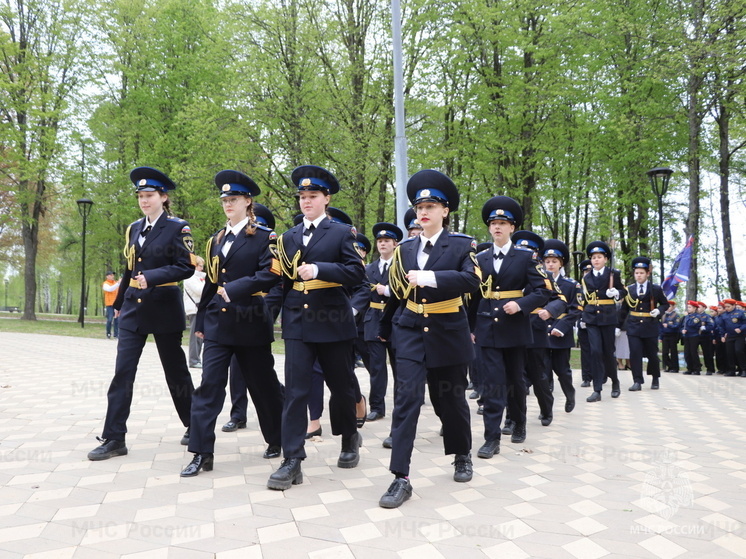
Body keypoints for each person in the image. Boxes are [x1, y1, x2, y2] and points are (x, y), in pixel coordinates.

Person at [377, 170, 480, 508]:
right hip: (409, 330)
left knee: (450, 400)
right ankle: (400, 477)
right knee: (406, 399)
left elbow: (472, 281)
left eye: (431, 206)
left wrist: (430, 277)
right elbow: (397, 292)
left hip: (448, 330)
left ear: (445, 211)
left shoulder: (462, 244)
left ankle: (462, 454)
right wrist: (385, 326)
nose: (423, 211)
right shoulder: (405, 248)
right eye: (420, 207)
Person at [267, 165, 365, 491]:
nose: (306, 201)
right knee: (296, 391)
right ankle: (292, 459)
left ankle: (349, 437)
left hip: (333, 321)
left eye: (313, 196)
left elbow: (356, 273)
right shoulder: (288, 237)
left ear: (326, 199)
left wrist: (320, 269)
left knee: (341, 385)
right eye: (302, 197)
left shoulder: (341, 232)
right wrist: (268, 316)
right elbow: (281, 283)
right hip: (298, 321)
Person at [181, 170, 285, 476]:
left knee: (263, 387)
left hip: (250, 323)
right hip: (218, 325)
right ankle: (201, 452)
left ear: (247, 202)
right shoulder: (216, 239)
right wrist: (202, 321)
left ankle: (277, 438)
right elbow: (212, 284)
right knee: (209, 387)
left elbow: (271, 273)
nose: (228, 204)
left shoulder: (265, 236)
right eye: (225, 199)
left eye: (234, 199)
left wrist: (236, 288)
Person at [88, 166, 196, 461]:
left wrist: (154, 276)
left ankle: (195, 424)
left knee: (175, 371)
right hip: (133, 308)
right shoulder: (134, 228)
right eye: (140, 196)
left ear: (163, 197)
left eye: (150, 195)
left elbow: (186, 266)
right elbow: (129, 269)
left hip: (164, 307)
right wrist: (118, 304)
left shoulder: (178, 228)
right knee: (123, 372)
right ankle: (114, 437)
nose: (144, 201)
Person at [468, 198, 555, 460]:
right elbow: (473, 296)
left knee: (516, 380)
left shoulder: (526, 257)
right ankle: (491, 438)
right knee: (492, 383)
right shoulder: (479, 258)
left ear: (512, 227)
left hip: (514, 328)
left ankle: (519, 421)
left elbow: (544, 291)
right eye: (493, 223)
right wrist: (471, 327)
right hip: (486, 328)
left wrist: (521, 304)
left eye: (502, 223)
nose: (497, 227)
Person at [221, 202, 277, 432]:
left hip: (258, 310)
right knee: (235, 369)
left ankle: (277, 417)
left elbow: (274, 282)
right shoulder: (224, 238)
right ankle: (238, 414)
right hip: (231, 312)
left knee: (262, 375)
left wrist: (267, 313)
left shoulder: (267, 242)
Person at [512, 230, 558, 428]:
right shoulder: (507, 273)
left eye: (528, 251)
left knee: (537, 375)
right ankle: (512, 418)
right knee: (513, 377)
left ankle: (546, 408)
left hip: (534, 330)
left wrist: (550, 310)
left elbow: (559, 299)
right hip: (511, 329)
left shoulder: (544, 275)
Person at [363, 222, 402, 422]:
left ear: (395, 244)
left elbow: (407, 291)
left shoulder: (401, 266)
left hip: (395, 320)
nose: (383, 244)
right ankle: (377, 407)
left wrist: (387, 291)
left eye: (387, 240)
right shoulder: (369, 268)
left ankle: (401, 407)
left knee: (399, 368)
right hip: (374, 321)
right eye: (379, 241)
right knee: (377, 368)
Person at [580, 241, 626, 402]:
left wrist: (616, 293)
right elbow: (585, 298)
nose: (596, 260)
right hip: (591, 318)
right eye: (593, 257)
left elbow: (623, 292)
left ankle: (615, 382)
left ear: (605, 259)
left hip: (607, 317)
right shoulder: (587, 277)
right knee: (595, 352)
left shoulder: (613, 274)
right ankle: (597, 389)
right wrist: (582, 316)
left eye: (599, 257)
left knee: (608, 353)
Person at [541, 240, 581, 413]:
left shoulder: (571, 285)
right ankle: (546, 409)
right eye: (547, 261)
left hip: (561, 333)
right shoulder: (539, 283)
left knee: (562, 370)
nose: (550, 264)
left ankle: (569, 393)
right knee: (543, 373)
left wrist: (561, 327)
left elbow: (576, 309)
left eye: (554, 261)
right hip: (542, 332)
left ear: (561, 263)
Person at [619, 257, 669, 391]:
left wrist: (659, 311)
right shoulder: (629, 290)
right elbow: (624, 309)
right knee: (635, 354)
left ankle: (655, 378)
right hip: (633, 326)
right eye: (636, 273)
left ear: (647, 273)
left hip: (650, 325)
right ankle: (637, 381)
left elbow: (665, 304)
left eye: (641, 273)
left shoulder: (655, 289)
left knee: (652, 354)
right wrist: (618, 326)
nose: (639, 275)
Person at [183, 256, 206, 368]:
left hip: (200, 309)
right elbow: (200, 291)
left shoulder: (200, 277)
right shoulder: (190, 277)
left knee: (200, 336)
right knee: (195, 336)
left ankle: (197, 359)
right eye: (200, 266)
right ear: (195, 266)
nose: (202, 268)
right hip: (194, 309)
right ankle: (193, 360)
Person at [576, 259, 593, 388]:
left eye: (590, 271)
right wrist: (580, 319)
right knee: (586, 352)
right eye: (585, 272)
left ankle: (601, 375)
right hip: (583, 324)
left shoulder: (598, 287)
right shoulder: (578, 289)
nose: (587, 274)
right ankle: (586, 377)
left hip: (597, 323)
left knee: (599, 351)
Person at [720, 299, 746, 377]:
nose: (727, 308)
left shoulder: (741, 313)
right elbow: (722, 326)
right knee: (729, 353)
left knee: (739, 351)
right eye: (725, 307)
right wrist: (722, 335)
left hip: (739, 336)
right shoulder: (724, 315)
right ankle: (732, 370)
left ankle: (743, 369)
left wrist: (741, 329)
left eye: (728, 306)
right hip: (729, 336)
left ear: (734, 305)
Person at [660, 300, 681, 373]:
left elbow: (677, 325)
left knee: (673, 352)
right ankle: (669, 365)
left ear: (673, 307)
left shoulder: (676, 316)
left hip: (673, 335)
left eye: (670, 306)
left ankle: (675, 367)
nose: (668, 308)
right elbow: (661, 327)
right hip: (665, 335)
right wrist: (660, 337)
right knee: (665, 353)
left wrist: (669, 325)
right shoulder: (664, 315)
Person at [102, 271, 120, 339]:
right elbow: (110, 289)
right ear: (107, 276)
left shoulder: (115, 283)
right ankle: (108, 333)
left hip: (116, 304)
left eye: (113, 275)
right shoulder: (105, 284)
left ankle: (116, 334)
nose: (112, 276)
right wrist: (118, 283)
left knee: (116, 319)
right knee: (110, 319)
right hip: (109, 304)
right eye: (111, 275)